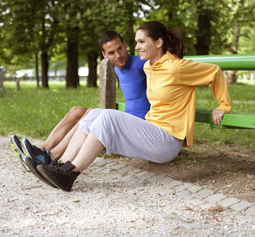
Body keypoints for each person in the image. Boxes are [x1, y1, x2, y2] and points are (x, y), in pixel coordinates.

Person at [28, 21, 231, 192]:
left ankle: (69, 174)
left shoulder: (176, 67)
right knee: (95, 114)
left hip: (168, 140)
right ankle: (59, 164)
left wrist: (223, 105)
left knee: (108, 116)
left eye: (142, 42)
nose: (137, 47)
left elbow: (215, 72)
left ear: (159, 42)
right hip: (151, 133)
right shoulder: (149, 66)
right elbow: (125, 67)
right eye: (136, 42)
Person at [11, 30, 150, 187]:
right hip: (127, 121)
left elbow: (164, 64)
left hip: (139, 127)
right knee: (77, 110)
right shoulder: (118, 67)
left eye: (120, 48)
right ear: (104, 55)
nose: (118, 55)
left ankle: (49, 156)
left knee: (90, 114)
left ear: (125, 45)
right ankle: (42, 151)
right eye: (111, 52)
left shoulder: (142, 64)